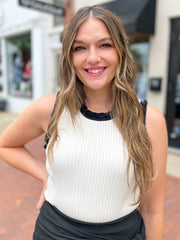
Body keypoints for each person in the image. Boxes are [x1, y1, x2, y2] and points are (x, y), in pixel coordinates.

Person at [0, 6, 167, 240]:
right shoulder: (50, 109)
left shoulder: (149, 120)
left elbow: (152, 210)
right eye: (80, 48)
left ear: (120, 51)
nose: (92, 57)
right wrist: (44, 174)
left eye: (104, 45)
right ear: (69, 56)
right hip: (54, 232)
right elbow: (6, 145)